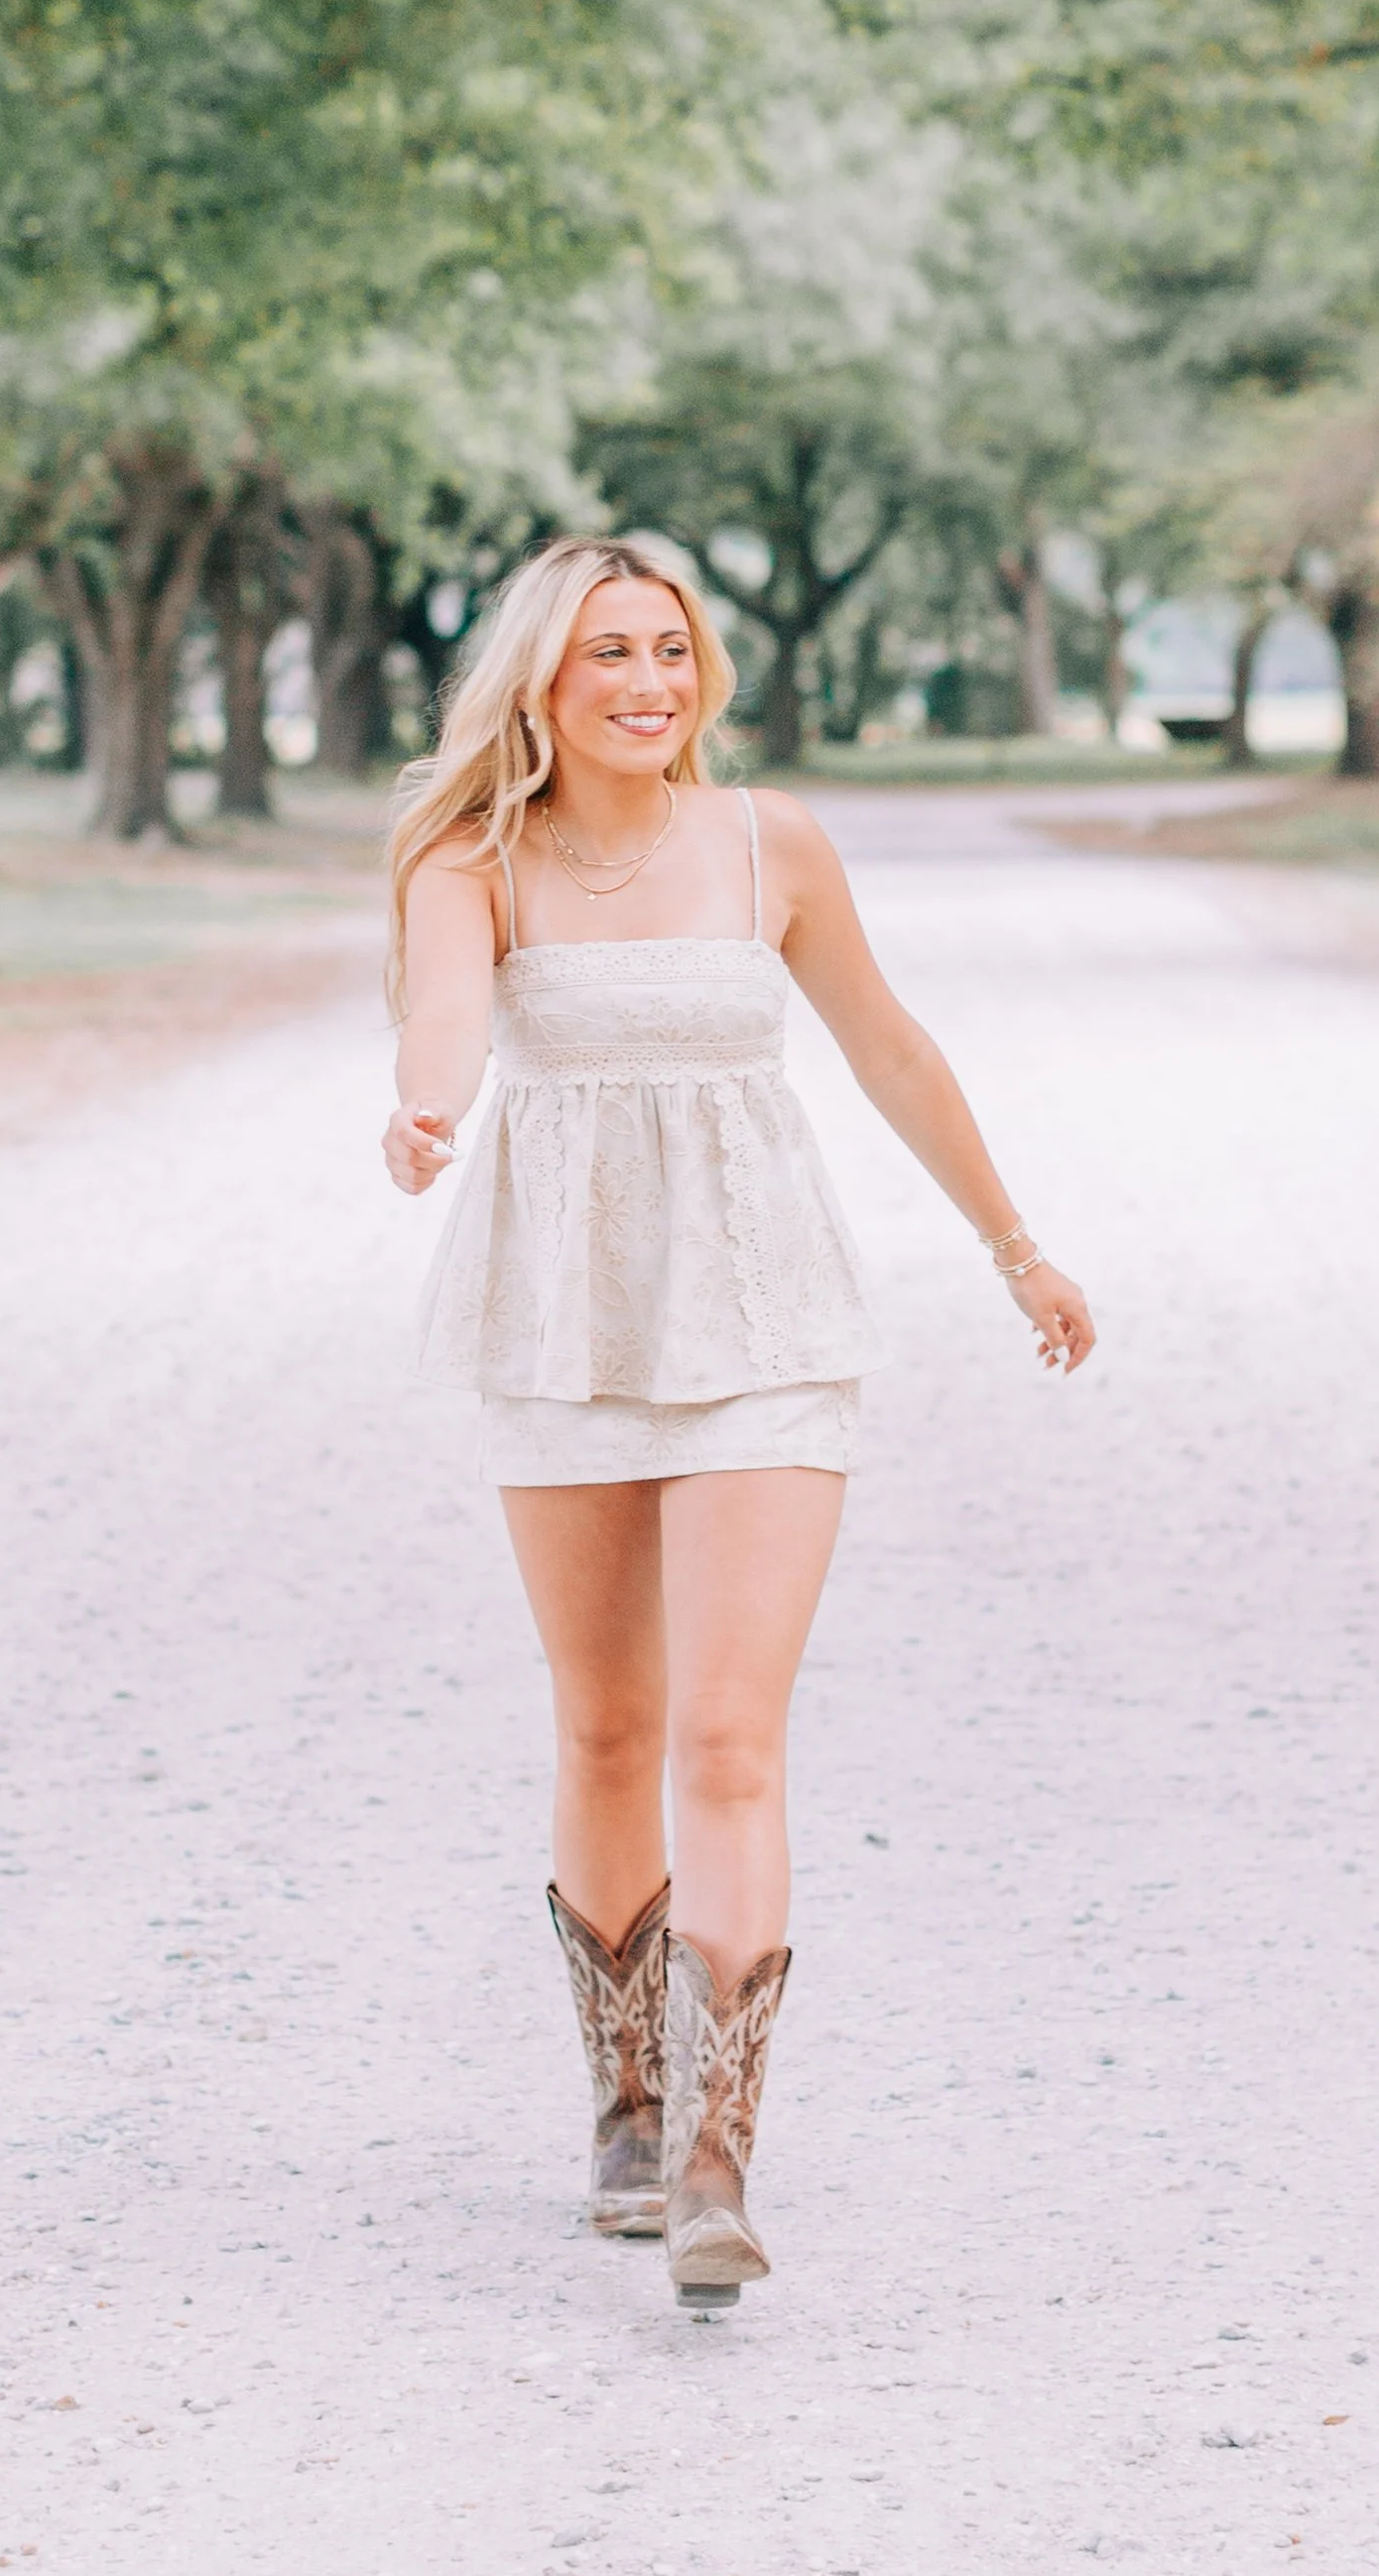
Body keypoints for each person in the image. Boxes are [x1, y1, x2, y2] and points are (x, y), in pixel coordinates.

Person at [382, 536, 1095, 2309]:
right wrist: (422, 1112)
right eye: (610, 652)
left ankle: (716, 2149)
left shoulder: (777, 847)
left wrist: (1018, 1249)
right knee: (610, 1728)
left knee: (728, 1734)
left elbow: (893, 1049)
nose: (649, 680)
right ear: (542, 681)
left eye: (673, 648)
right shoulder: (469, 855)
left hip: (766, 1314)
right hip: (566, 1319)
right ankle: (623, 2097)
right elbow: (442, 1022)